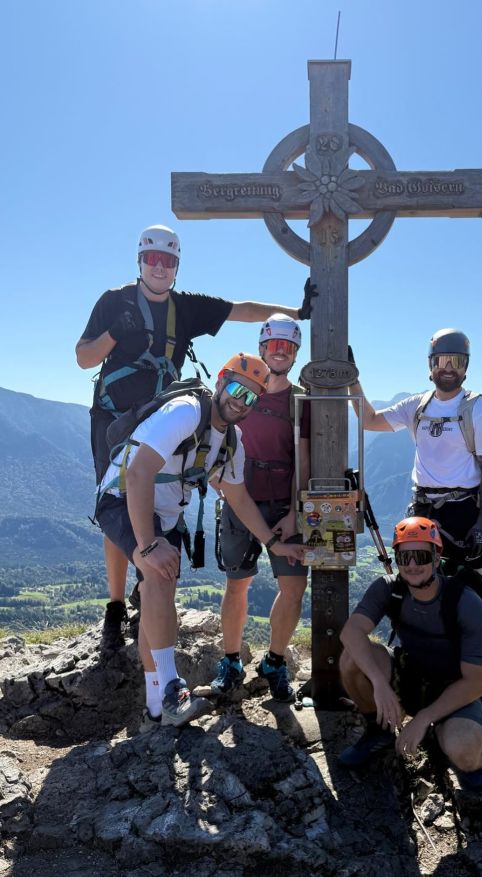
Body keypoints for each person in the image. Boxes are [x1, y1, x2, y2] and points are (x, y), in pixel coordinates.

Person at [76, 224, 317, 648]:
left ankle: (145, 585)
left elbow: (241, 309)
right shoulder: (114, 301)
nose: (160, 267)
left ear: (177, 265)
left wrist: (297, 313)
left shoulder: (186, 307)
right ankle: (116, 605)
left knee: (169, 492)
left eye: (168, 261)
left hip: (166, 417)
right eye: (153, 259)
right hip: (113, 419)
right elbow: (83, 358)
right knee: (116, 498)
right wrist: (114, 332)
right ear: (140, 261)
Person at [95, 352, 306, 729]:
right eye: (237, 388)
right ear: (221, 381)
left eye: (251, 397)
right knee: (158, 576)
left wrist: (274, 545)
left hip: (164, 514)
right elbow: (139, 473)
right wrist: (148, 545)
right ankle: (172, 689)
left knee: (158, 591)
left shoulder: (232, 442)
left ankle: (156, 707)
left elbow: (238, 498)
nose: (241, 401)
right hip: (123, 498)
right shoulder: (185, 412)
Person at [338, 516, 482, 809]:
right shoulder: (390, 588)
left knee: (465, 752)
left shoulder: (465, 602)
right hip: (410, 675)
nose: (412, 565)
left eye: (421, 556)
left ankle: (449, 736)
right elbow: (351, 632)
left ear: (437, 558)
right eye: (404, 557)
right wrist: (379, 684)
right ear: (396, 559)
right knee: (351, 658)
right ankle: (379, 732)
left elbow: (475, 682)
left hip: (455, 688)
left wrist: (424, 718)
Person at [211, 314, 310, 703]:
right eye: (273, 346)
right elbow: (217, 434)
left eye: (287, 347)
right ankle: (231, 661)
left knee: (294, 586)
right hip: (240, 499)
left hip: (283, 503)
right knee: (237, 583)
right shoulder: (243, 389)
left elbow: (302, 459)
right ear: (262, 348)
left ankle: (275, 661)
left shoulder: (300, 399)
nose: (279, 353)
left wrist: (294, 512)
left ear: (295, 353)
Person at [348, 329, 482, 572]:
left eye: (457, 361)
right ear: (431, 365)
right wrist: (352, 380)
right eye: (442, 361)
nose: (449, 368)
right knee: (417, 580)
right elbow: (370, 420)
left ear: (466, 368)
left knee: (464, 584)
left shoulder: (480, 411)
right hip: (422, 507)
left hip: (463, 512)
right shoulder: (416, 406)